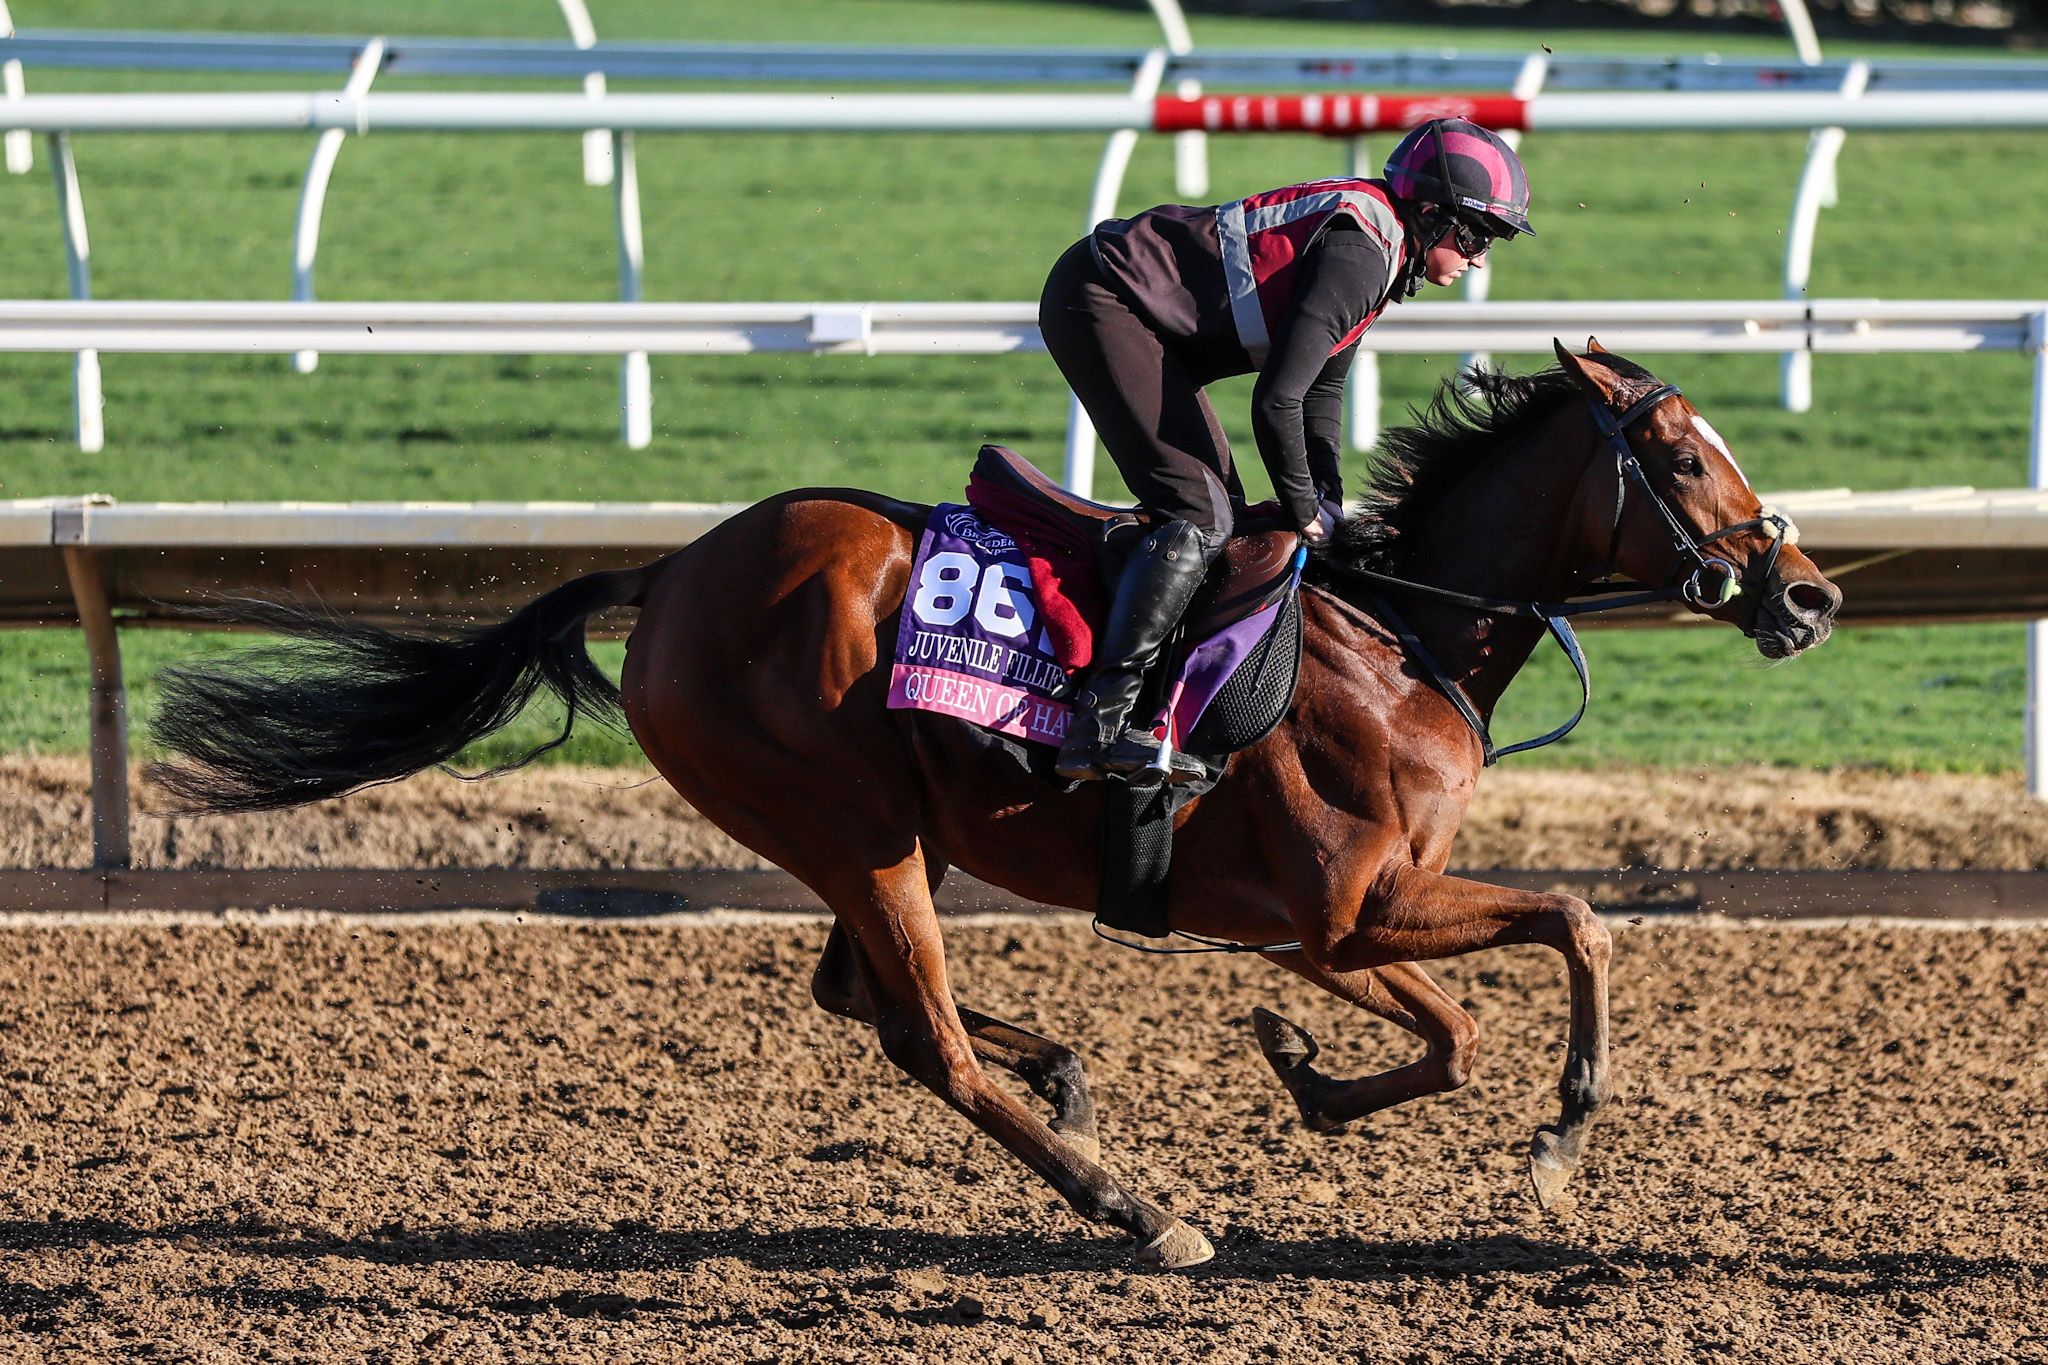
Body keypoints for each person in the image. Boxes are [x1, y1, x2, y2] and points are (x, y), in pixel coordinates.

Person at [1038, 116, 1536, 783]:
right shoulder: (1360, 252)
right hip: (1099, 299)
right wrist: (1303, 509)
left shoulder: (1381, 247)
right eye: (1474, 235)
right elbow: (1275, 403)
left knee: (1217, 511)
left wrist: (1325, 505)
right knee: (1202, 511)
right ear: (1429, 213)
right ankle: (1097, 726)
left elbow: (1321, 397)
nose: (1478, 258)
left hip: (1136, 313)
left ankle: (1150, 696)